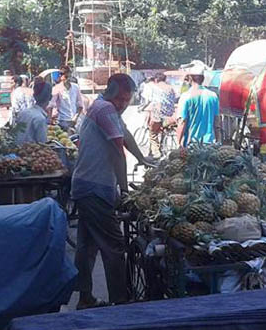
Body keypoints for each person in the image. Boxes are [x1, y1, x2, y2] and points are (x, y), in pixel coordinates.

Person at [71, 73, 152, 308]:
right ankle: (121, 303)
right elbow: (118, 153)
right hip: (95, 188)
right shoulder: (105, 109)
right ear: (111, 93)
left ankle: (85, 298)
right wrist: (125, 191)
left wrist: (142, 158)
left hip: (85, 185)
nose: (123, 104)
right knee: (115, 246)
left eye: (127, 100)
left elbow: (125, 135)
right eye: (120, 99)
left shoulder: (104, 108)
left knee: (87, 246)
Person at [176, 67, 220, 146]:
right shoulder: (213, 96)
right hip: (209, 144)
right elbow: (216, 122)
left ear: (190, 78)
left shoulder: (186, 96)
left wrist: (178, 143)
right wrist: (218, 141)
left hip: (191, 144)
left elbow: (182, 122)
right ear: (203, 79)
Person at [146, 73, 177, 157]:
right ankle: (162, 145)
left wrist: (148, 113)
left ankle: (156, 153)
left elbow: (152, 103)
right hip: (169, 117)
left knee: (152, 133)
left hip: (158, 116)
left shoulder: (154, 88)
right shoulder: (171, 88)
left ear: (156, 80)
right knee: (163, 130)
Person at [15, 81, 51, 145]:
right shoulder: (40, 118)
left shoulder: (23, 112)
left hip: (17, 150)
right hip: (29, 153)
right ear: (49, 98)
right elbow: (42, 143)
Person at [50, 65, 82, 131]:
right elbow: (51, 105)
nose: (67, 79)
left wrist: (75, 118)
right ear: (61, 76)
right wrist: (51, 119)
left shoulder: (76, 87)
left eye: (68, 76)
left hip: (74, 121)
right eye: (65, 76)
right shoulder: (56, 89)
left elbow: (80, 105)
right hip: (62, 121)